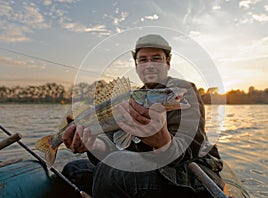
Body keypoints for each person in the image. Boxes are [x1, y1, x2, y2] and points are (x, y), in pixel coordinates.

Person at [61, 34, 224, 198]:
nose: (150, 65)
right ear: (136, 65)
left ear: (167, 62)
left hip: (189, 171)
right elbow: (118, 145)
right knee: (74, 170)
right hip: (148, 165)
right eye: (143, 60)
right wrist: (94, 145)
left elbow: (189, 147)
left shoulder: (181, 90)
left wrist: (163, 142)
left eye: (156, 58)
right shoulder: (132, 97)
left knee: (115, 168)